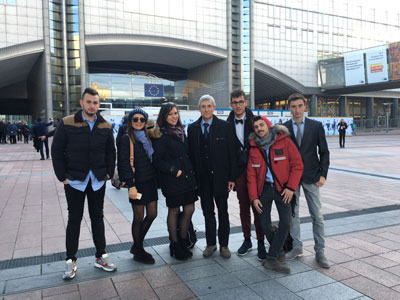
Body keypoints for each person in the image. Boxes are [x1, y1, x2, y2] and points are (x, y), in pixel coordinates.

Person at [51, 87, 117, 280]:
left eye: (95, 102)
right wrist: (61, 176)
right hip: (74, 180)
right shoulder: (67, 122)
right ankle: (71, 260)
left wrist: (108, 172)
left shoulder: (105, 125)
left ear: (99, 104)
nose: (92, 106)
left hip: (97, 180)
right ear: (82, 103)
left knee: (98, 218)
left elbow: (110, 151)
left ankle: (101, 256)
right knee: (74, 219)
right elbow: (57, 150)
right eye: (88, 102)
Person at [247, 116, 303, 274]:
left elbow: (297, 165)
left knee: (285, 222)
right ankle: (278, 253)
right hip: (263, 190)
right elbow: (250, 175)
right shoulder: (253, 148)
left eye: (261, 124)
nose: (259, 128)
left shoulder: (284, 141)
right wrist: (254, 198)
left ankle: (271, 258)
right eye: (256, 126)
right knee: (265, 225)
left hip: (282, 189)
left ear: (268, 124)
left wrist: (291, 188)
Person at [283, 93, 330, 268]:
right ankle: (297, 247)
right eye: (293, 106)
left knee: (317, 215)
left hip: (312, 176)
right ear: (289, 108)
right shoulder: (284, 128)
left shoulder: (315, 126)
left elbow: (324, 152)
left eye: (299, 106)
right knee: (293, 215)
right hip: (291, 178)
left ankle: (320, 251)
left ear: (305, 107)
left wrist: (323, 175)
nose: (297, 110)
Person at [188, 95, 237, 259]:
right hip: (203, 180)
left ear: (214, 107)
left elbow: (232, 153)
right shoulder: (193, 128)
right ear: (199, 108)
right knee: (208, 213)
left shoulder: (225, 126)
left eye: (209, 106)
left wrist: (232, 178)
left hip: (221, 178)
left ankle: (224, 245)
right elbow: (191, 155)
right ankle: (211, 244)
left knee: (223, 212)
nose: (206, 109)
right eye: (203, 106)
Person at [153, 103, 198, 261]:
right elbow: (157, 161)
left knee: (189, 209)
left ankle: (183, 239)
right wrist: (174, 170)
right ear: (164, 117)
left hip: (187, 178)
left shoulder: (181, 132)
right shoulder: (161, 135)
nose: (174, 116)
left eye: (176, 113)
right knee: (173, 210)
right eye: (170, 114)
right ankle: (175, 243)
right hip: (173, 180)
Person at [226, 89, 265, 259]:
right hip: (239, 171)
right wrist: (230, 177)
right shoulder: (227, 123)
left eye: (241, 101)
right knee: (243, 207)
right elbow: (227, 152)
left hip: (256, 169)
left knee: (258, 207)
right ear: (231, 104)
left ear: (246, 102)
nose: (238, 105)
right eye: (235, 102)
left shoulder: (255, 121)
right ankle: (247, 239)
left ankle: (261, 242)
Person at [117, 108, 159, 264]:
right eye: (135, 119)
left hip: (150, 182)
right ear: (130, 121)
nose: (139, 122)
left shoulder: (148, 138)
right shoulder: (126, 139)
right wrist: (131, 185)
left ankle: (136, 245)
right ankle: (139, 250)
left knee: (153, 214)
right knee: (139, 218)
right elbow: (123, 163)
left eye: (142, 119)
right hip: (137, 183)